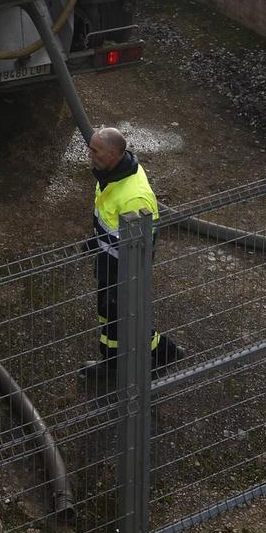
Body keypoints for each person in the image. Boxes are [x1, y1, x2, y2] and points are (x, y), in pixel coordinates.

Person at [87, 126, 180, 376]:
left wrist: (124, 276)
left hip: (123, 269)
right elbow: (106, 217)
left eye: (95, 150)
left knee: (124, 318)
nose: (89, 154)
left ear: (113, 154)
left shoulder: (134, 198)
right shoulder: (110, 174)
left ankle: (155, 354)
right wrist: (95, 242)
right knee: (111, 316)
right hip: (109, 261)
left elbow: (140, 245)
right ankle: (120, 359)